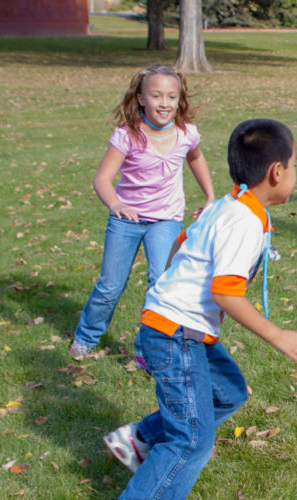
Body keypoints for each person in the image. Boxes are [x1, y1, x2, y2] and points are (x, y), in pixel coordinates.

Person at [104, 119, 297, 499]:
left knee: (228, 393)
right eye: (295, 165)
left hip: (184, 328)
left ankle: (140, 440)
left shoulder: (229, 203)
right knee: (190, 442)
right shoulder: (241, 221)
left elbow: (182, 242)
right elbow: (226, 294)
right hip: (176, 334)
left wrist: (167, 288)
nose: (296, 173)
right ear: (276, 172)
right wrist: (278, 336)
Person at [70, 65, 215, 357]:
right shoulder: (127, 136)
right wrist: (116, 205)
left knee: (160, 285)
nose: (165, 103)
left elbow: (196, 159)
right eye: (156, 95)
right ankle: (86, 336)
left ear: (179, 100)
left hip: (166, 220)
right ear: (140, 98)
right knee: (111, 286)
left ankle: (149, 349)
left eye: (171, 97)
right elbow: (102, 179)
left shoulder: (187, 134)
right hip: (126, 220)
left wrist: (210, 196)